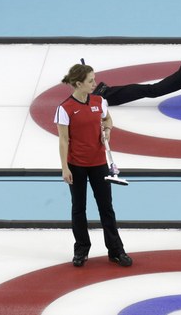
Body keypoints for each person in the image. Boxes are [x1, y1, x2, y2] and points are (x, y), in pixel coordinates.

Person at [55, 63, 132, 268]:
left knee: (106, 208)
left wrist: (107, 131)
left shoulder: (99, 101)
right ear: (78, 84)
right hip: (76, 165)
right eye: (90, 81)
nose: (95, 83)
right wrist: (64, 168)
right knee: (78, 208)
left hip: (99, 164)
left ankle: (116, 250)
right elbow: (63, 140)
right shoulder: (65, 109)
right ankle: (81, 250)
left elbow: (108, 120)